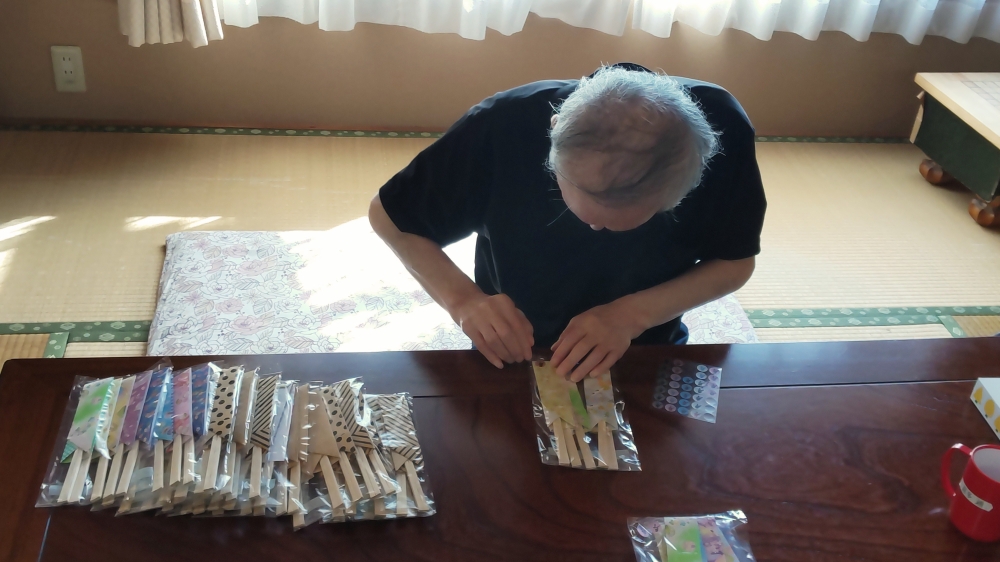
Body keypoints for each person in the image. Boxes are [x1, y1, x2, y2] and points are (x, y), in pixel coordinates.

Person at [369, 63, 766, 382]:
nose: (596, 229)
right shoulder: (502, 126)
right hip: (512, 344)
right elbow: (391, 217)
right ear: (553, 132)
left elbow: (734, 261)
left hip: (645, 343)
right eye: (586, 204)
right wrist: (464, 301)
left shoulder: (719, 135)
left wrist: (632, 315)